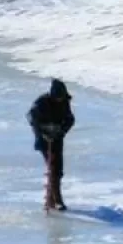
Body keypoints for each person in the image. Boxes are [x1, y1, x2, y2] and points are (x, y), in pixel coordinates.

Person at [27, 79, 75, 212]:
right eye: (58, 98)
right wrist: (43, 132)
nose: (60, 100)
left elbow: (70, 119)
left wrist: (61, 131)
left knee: (58, 168)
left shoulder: (65, 101)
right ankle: (57, 200)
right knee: (52, 166)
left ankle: (52, 198)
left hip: (57, 137)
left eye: (61, 97)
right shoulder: (41, 103)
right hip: (43, 139)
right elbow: (31, 118)